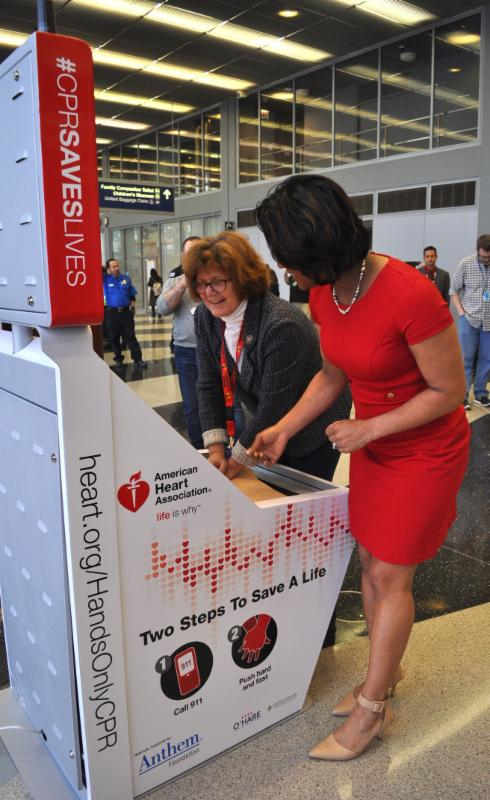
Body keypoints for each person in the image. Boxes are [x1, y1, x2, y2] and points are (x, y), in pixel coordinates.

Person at [249, 174, 469, 762]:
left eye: (290, 258)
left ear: (319, 248)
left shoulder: (410, 293)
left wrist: (370, 428)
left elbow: (450, 390)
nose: (284, 271)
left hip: (422, 450)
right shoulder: (325, 293)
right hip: (371, 447)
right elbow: (332, 374)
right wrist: (285, 428)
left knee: (392, 577)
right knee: (371, 566)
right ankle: (384, 676)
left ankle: (372, 713)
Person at [182, 231, 351, 482]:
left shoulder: (280, 324)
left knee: (296, 505)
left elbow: (273, 407)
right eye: (200, 283)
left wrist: (235, 462)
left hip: (313, 429)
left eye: (218, 281)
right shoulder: (205, 317)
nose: (209, 292)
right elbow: (208, 383)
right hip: (267, 426)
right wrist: (216, 449)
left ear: (242, 278)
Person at [157, 237, 204, 449]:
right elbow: (162, 308)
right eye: (190, 254)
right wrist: (183, 283)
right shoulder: (175, 278)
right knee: (192, 403)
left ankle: (232, 448)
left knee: (229, 401)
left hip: (217, 349)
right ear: (183, 257)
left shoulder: (219, 275)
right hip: (186, 351)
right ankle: (199, 448)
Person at [450, 235, 490, 410]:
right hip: (469, 320)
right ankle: (462, 395)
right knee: (465, 359)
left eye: (489, 258)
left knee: (487, 359)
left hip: (489, 322)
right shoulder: (465, 264)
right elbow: (454, 291)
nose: (485, 260)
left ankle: (481, 394)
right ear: (478, 251)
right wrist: (461, 313)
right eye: (483, 257)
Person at [103, 258, 146, 367]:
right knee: (114, 337)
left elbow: (132, 295)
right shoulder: (105, 279)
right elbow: (97, 269)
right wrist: (105, 269)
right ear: (109, 269)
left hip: (126, 314)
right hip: (112, 314)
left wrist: (132, 307)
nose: (117, 268)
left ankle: (138, 359)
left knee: (131, 337)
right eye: (114, 266)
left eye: (118, 266)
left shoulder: (126, 279)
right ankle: (118, 358)